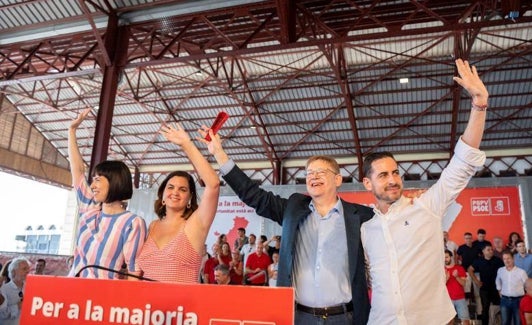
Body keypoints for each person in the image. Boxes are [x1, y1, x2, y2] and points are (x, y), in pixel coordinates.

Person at [360, 58, 490, 324]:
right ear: (367, 183)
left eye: (395, 172)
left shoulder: (426, 206)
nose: (393, 179)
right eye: (383, 175)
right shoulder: (363, 226)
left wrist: (479, 105)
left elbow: (462, 164)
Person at [207, 131, 373, 324]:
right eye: (309, 173)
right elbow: (254, 195)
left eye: (321, 172)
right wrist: (219, 153)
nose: (313, 176)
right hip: (299, 317)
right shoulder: (293, 209)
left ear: (337, 180)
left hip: (346, 317)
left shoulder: (361, 216)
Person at [135, 123, 220, 283]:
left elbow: (213, 184)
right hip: (145, 306)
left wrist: (186, 144)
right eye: (171, 187)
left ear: (190, 198)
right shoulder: (152, 225)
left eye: (182, 189)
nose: (175, 192)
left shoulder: (195, 224)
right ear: (162, 195)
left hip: (181, 306)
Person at [68, 108, 147, 279]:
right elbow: (78, 171)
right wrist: (72, 131)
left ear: (115, 181)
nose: (93, 185)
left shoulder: (132, 223)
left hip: (101, 298)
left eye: (98, 179)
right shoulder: (89, 208)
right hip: (70, 292)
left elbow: (134, 271)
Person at [469, 244, 505, 325]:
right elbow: (470, 269)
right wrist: (476, 281)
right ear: (483, 251)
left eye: (492, 249)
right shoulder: (479, 260)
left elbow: (504, 271)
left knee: (500, 308)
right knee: (485, 308)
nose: (491, 251)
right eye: (488, 250)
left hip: (497, 289)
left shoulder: (497, 260)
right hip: (484, 289)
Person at [496, 250, 527, 325]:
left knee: (518, 322)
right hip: (504, 300)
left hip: (518, 301)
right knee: (505, 322)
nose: (506, 261)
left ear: (513, 258)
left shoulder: (521, 272)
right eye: (504, 259)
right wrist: (499, 290)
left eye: (508, 258)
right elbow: (497, 281)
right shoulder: (500, 270)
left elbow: (527, 285)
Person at [0, 257, 30, 325]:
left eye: (28, 269)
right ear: (14, 272)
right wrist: (18, 306)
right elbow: (2, 314)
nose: (27, 271)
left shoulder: (30, 289)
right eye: (24, 269)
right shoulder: (3, 289)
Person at [445, 250, 470, 325]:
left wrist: (457, 277)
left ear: (451, 257)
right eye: (443, 258)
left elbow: (463, 284)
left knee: (465, 321)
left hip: (460, 299)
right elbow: (439, 288)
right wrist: (446, 278)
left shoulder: (459, 268)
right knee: (449, 322)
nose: (445, 259)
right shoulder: (441, 270)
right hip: (448, 300)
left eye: (446, 257)